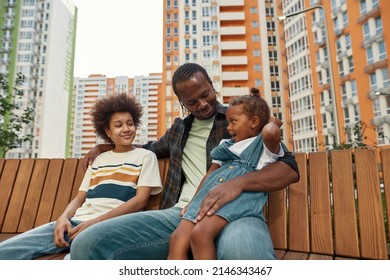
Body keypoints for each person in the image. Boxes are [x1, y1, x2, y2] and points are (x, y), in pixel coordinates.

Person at [70, 62, 299, 260]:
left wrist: (237, 184)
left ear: (211, 84)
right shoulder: (178, 131)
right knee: (87, 243)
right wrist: (104, 146)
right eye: (191, 101)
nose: (202, 104)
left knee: (244, 252)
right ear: (181, 102)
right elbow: (147, 148)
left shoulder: (241, 119)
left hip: (236, 213)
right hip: (181, 214)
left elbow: (288, 168)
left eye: (205, 94)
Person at [0, 93, 162, 260]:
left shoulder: (145, 156)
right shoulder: (99, 160)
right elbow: (80, 199)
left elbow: (140, 200)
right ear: (108, 131)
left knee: (77, 256)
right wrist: (63, 218)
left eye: (130, 123)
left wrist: (96, 222)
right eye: (118, 125)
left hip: (111, 226)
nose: (127, 129)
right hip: (77, 223)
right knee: (8, 249)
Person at [168, 89, 282, 259]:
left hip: (235, 199)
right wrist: (193, 202)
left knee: (200, 235)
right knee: (176, 239)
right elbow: (209, 176)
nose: (228, 127)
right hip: (207, 196)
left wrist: (273, 121)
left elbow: (271, 132)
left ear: (254, 122)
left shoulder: (264, 147)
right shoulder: (226, 145)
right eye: (228, 122)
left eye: (233, 122)